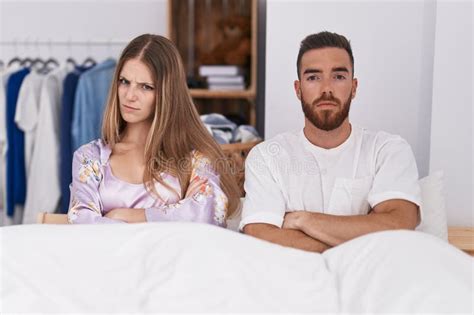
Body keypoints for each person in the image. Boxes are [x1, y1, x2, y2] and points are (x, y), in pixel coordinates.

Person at [240, 31, 421, 252]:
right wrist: (364, 233)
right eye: (313, 77)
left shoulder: (387, 150)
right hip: (294, 279)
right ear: (298, 89)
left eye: (338, 76)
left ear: (354, 87)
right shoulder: (267, 156)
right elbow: (260, 236)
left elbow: (399, 225)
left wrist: (301, 221)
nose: (326, 89)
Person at [68, 34, 240, 225]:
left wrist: (123, 215)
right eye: (124, 81)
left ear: (167, 94)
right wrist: (180, 211)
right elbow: (82, 223)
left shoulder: (194, 158)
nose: (130, 95)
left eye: (146, 87)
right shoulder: (89, 158)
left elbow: (208, 214)